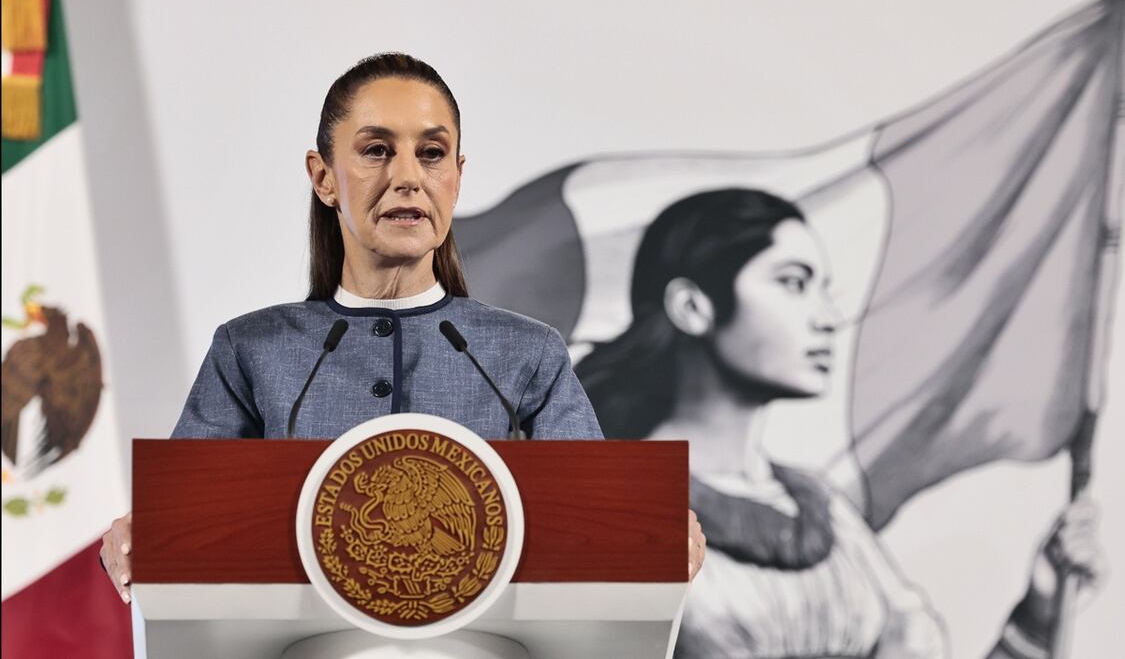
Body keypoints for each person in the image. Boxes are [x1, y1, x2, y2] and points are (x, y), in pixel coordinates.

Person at [99, 52, 707, 604]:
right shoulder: (250, 350)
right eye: (376, 150)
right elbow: (184, 527)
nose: (409, 177)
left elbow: (598, 524)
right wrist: (140, 535)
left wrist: (652, 532)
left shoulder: (529, 353)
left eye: (432, 153)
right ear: (323, 177)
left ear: (457, 177)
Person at [575, 188, 1104, 659]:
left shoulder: (824, 509)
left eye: (823, 289)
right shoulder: (606, 509)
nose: (827, 317)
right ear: (693, 307)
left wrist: (1037, 615)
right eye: (793, 283)